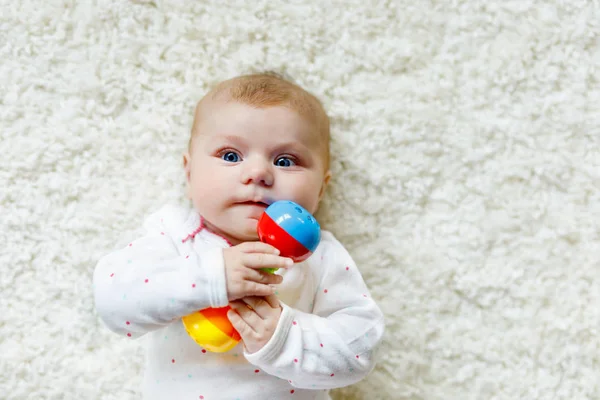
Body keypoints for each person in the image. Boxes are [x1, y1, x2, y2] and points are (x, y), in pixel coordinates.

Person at [93, 72, 385, 400]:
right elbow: (111, 301)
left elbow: (360, 351)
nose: (258, 173)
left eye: (285, 160)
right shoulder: (175, 235)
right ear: (189, 173)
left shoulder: (319, 256)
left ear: (321, 188)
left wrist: (283, 337)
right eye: (231, 156)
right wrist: (212, 277)